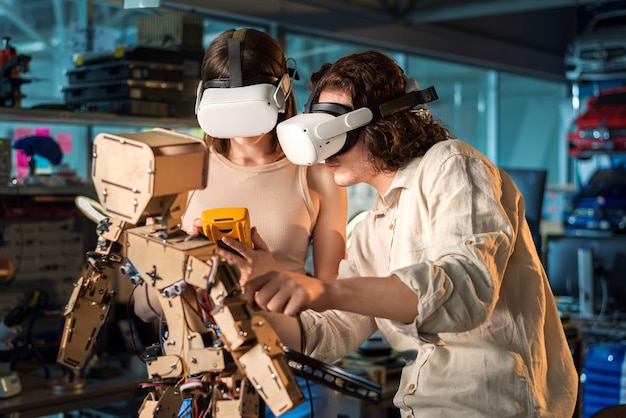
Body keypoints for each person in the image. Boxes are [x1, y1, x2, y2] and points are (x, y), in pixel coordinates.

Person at [226, 50, 579, 417]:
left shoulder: (452, 164)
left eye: (333, 130)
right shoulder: (367, 231)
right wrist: (248, 308)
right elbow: (324, 333)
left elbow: (466, 290)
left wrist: (320, 289)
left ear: (386, 124)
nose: (322, 149)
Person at [135, 28, 347, 418]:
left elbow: (333, 303)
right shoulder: (181, 170)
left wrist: (266, 289)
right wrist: (178, 273)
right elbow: (142, 305)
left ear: (282, 93)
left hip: (287, 371)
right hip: (196, 375)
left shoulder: (316, 174)